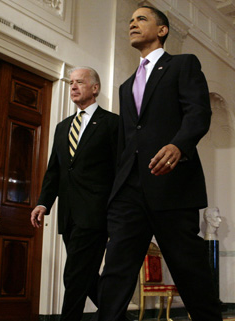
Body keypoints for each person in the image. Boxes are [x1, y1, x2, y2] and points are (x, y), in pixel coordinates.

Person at [95, 5, 222, 321]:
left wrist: (179, 145)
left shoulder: (182, 65)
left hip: (172, 184)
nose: (132, 24)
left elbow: (198, 113)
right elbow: (127, 140)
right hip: (129, 191)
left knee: (189, 269)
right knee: (116, 271)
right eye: (130, 20)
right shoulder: (126, 87)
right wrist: (114, 189)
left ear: (162, 30)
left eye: (141, 19)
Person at [30, 67, 118, 321]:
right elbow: (55, 171)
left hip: (96, 213)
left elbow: (120, 171)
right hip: (68, 215)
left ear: (95, 88)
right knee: (86, 275)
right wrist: (43, 203)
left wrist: (116, 210)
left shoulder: (112, 124)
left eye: (80, 82)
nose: (73, 86)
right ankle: (118, 316)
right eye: (71, 83)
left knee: (75, 274)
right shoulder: (62, 127)